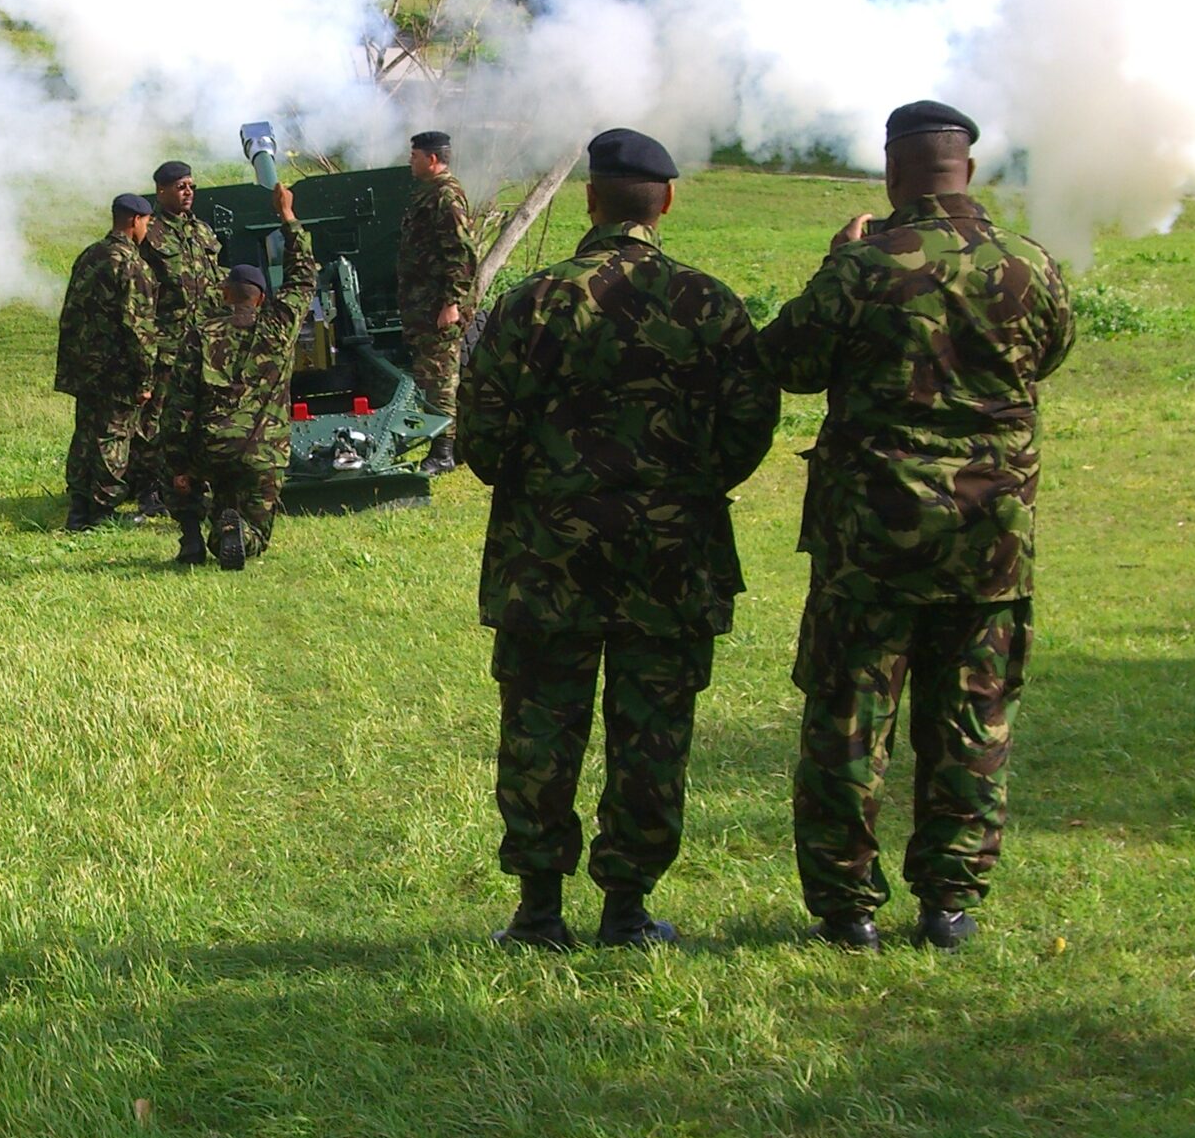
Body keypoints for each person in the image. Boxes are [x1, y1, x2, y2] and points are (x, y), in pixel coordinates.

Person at [758, 101, 1078, 952]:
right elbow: (1049, 353)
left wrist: (838, 258)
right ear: (966, 172)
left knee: (848, 721)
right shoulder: (1031, 268)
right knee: (972, 721)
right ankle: (949, 905)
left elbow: (786, 361)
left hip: (872, 541)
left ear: (894, 175)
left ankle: (847, 909)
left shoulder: (863, 267)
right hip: (989, 541)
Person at [459, 130, 779, 950]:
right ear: (665, 202)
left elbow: (482, 438)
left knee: (539, 730)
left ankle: (537, 912)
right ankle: (627, 910)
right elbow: (749, 427)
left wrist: (544, 486)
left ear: (591, 199)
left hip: (547, 563)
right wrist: (687, 487)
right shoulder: (709, 305)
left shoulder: (530, 302)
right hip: (670, 566)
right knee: (653, 737)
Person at [166, 181, 318, 570]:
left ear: (225, 293)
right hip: (263, 450)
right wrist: (287, 216)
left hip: (212, 450)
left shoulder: (201, 335)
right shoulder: (278, 326)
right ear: (262, 298)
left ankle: (191, 540)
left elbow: (179, 406)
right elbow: (303, 277)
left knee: (206, 490)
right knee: (256, 531)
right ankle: (236, 535)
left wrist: (180, 466)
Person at [53, 193, 159, 532]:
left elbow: (70, 314)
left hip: (84, 367)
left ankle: (79, 508)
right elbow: (138, 329)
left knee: (86, 434)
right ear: (133, 221)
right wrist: (145, 380)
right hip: (116, 371)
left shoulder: (89, 256)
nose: (147, 229)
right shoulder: (131, 264)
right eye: (146, 222)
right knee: (113, 437)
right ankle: (100, 511)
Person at [135, 159, 225, 517]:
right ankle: (149, 490)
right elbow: (138, 289)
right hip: (166, 344)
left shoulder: (201, 231)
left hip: (202, 344)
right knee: (155, 420)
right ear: (161, 190)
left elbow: (215, 281)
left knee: (200, 415)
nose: (188, 192)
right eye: (181, 187)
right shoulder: (149, 233)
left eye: (191, 186)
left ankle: (195, 481)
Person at [399, 130, 477, 476]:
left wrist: (452, 303)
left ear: (432, 159)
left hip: (438, 307)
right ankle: (452, 446)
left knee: (439, 378)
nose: (410, 161)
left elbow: (461, 254)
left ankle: (443, 453)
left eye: (414, 155)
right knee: (433, 375)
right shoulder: (428, 194)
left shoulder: (446, 196)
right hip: (424, 303)